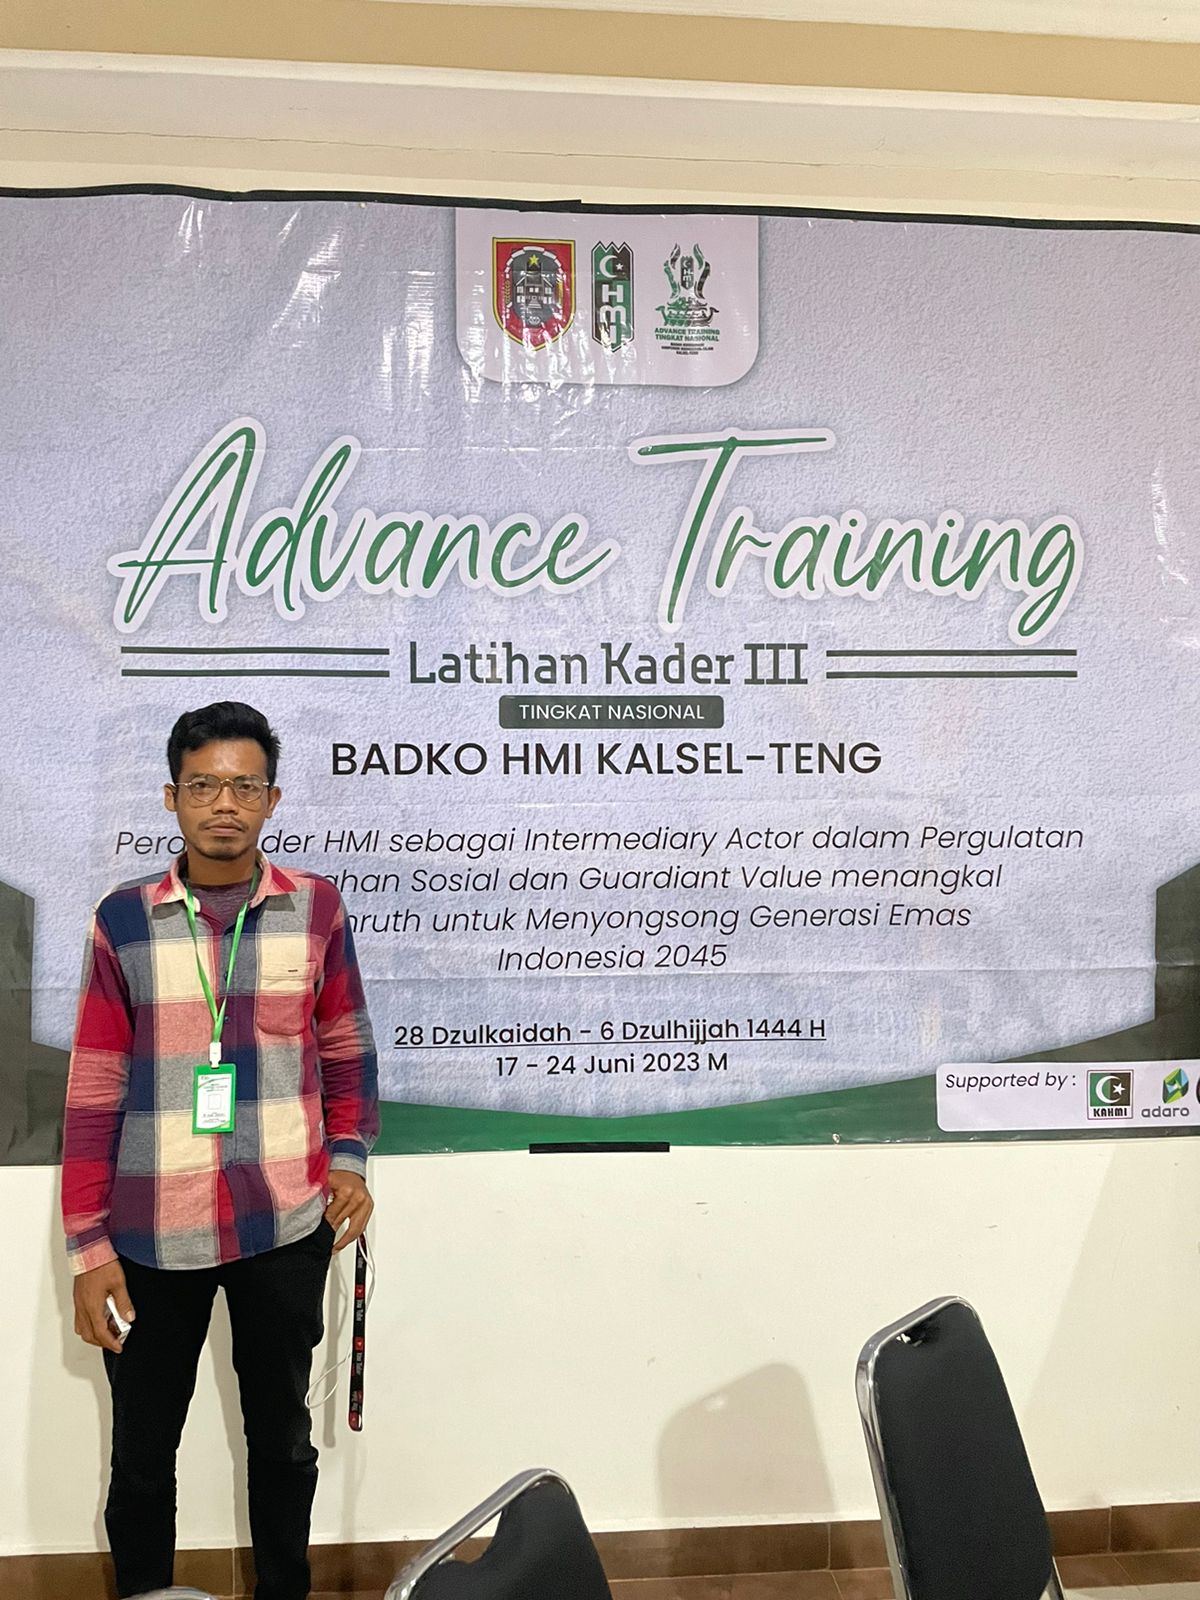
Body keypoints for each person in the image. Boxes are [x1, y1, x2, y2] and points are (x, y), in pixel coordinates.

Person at [61, 701, 379, 1600]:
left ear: (272, 799)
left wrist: (349, 1159)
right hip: (149, 1237)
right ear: (172, 798)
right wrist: (88, 1249)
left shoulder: (315, 908)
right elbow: (93, 1089)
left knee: (282, 1441)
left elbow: (346, 1047)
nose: (224, 804)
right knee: (141, 1456)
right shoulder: (124, 921)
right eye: (203, 786)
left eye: (244, 786)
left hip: (284, 1224)